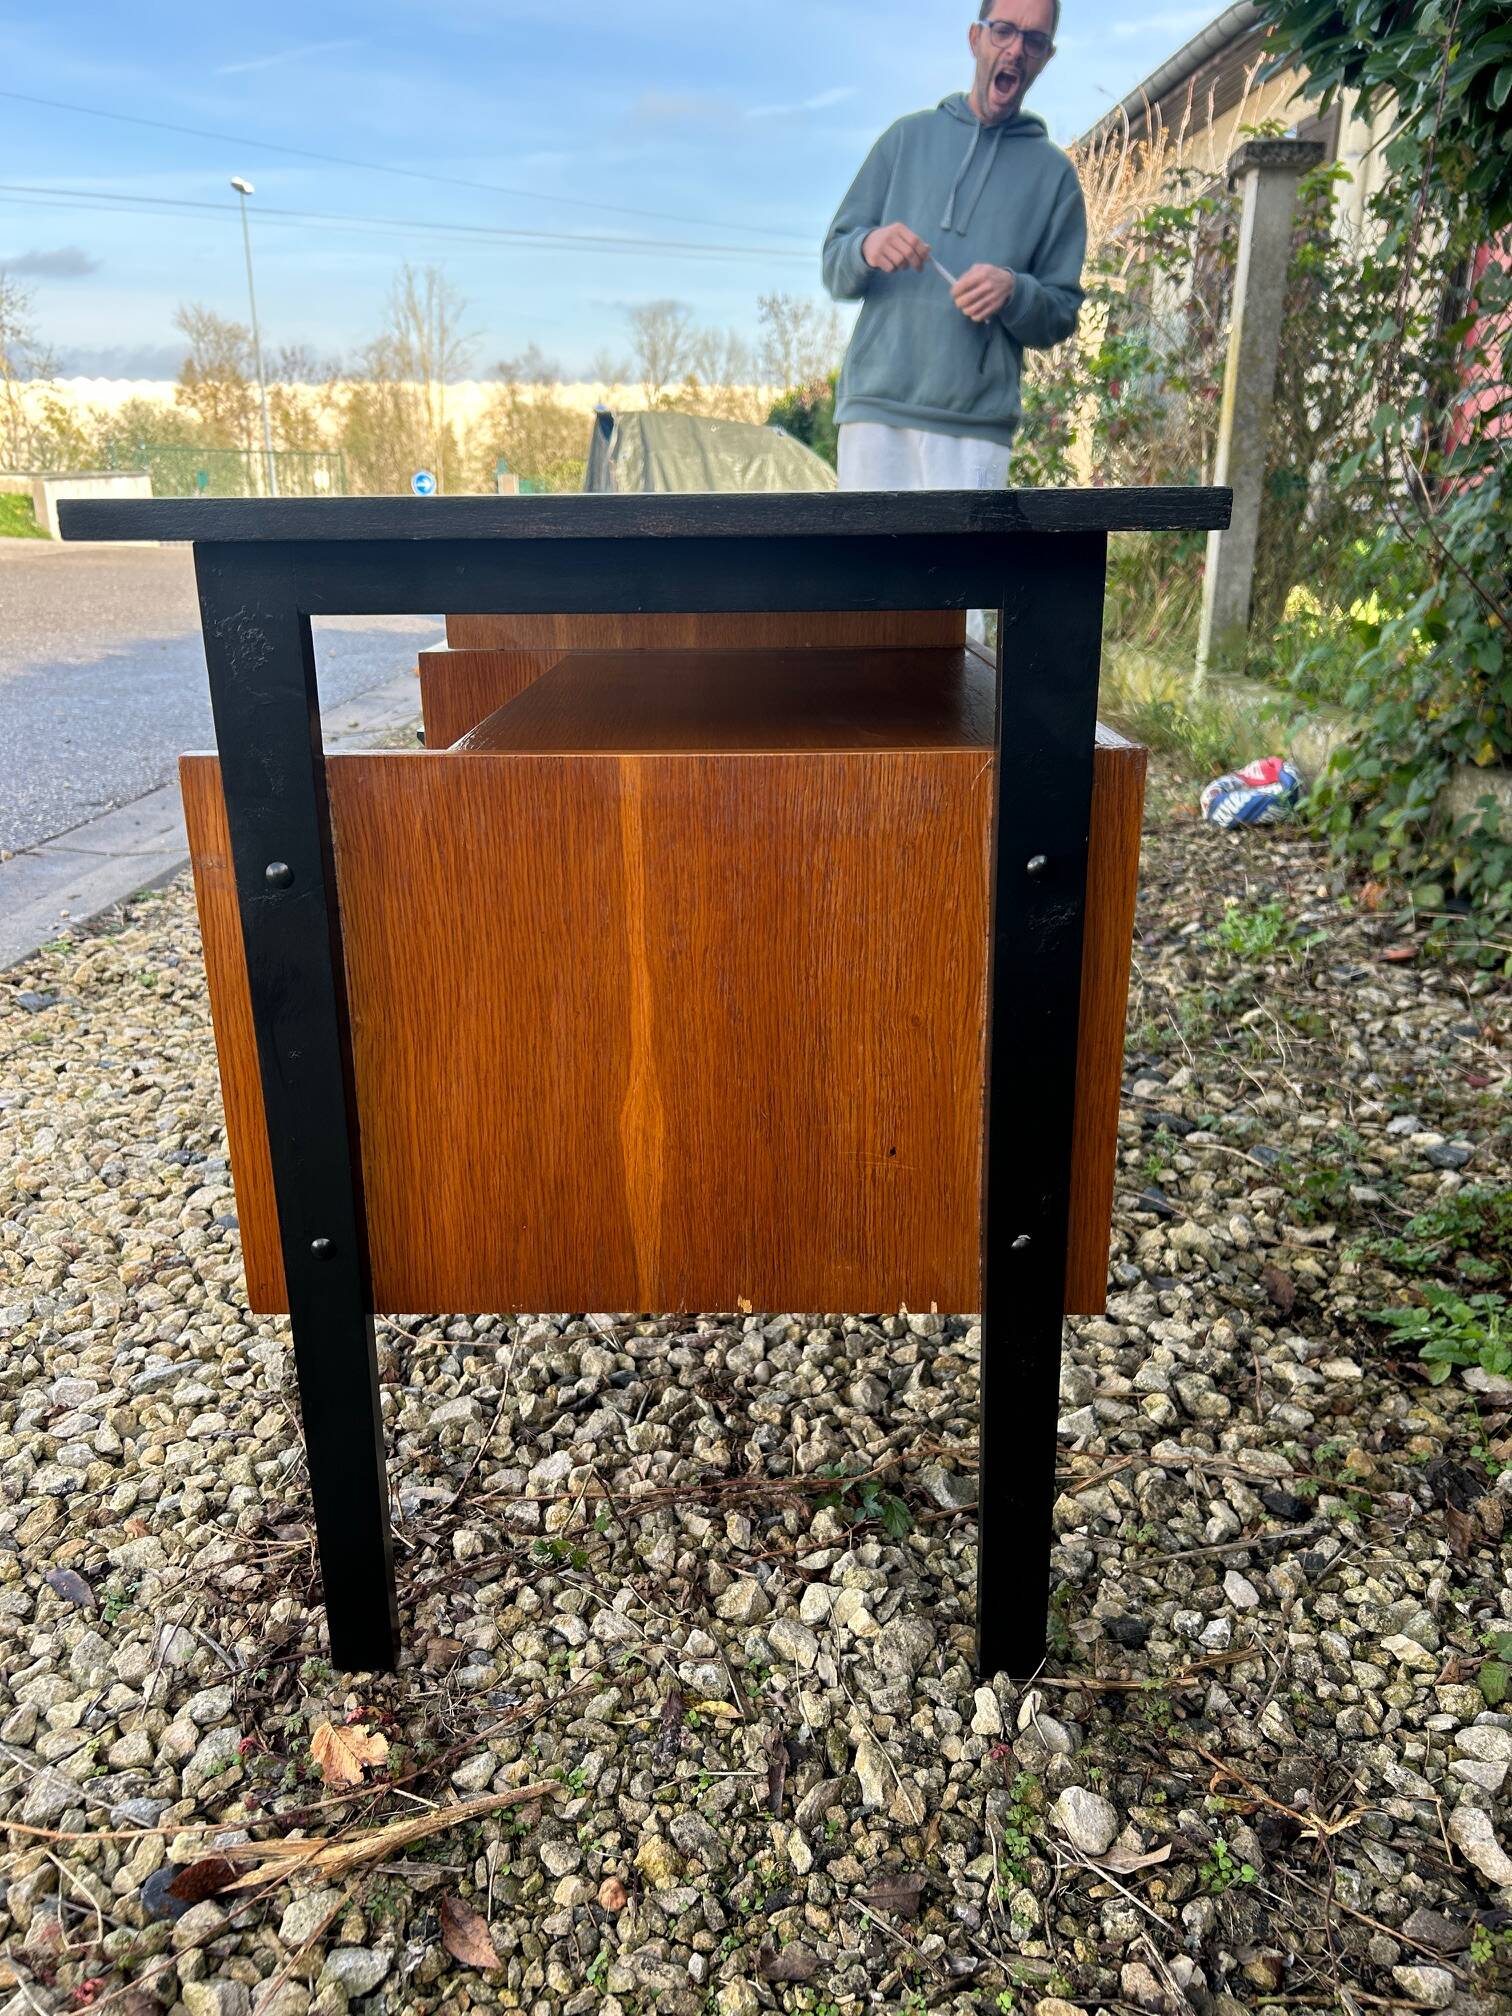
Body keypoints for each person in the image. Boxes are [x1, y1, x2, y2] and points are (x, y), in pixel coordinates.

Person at [822, 0, 1085, 496]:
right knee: (871, 574)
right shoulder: (904, 140)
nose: (1016, 50)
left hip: (977, 428)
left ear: (1047, 56)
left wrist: (1015, 291)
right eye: (1004, 31)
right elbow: (834, 264)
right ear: (976, 38)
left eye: (1033, 41)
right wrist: (867, 247)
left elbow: (1062, 313)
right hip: (876, 413)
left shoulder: (1055, 178)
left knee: (963, 577)